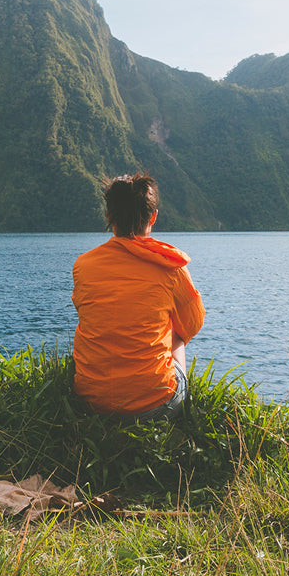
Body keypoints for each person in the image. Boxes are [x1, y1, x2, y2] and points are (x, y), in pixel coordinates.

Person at [72, 170, 205, 420]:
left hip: (90, 402)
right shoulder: (170, 267)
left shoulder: (83, 265)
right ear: (153, 217)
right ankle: (181, 416)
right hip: (154, 407)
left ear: (109, 216)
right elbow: (193, 324)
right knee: (178, 330)